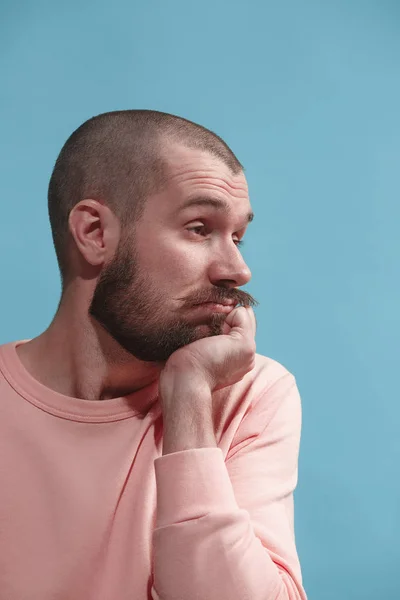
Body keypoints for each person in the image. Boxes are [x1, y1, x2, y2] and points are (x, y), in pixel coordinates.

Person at [0, 110, 307, 599]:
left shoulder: (248, 394)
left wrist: (189, 400)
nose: (238, 269)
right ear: (95, 233)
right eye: (199, 228)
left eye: (238, 236)